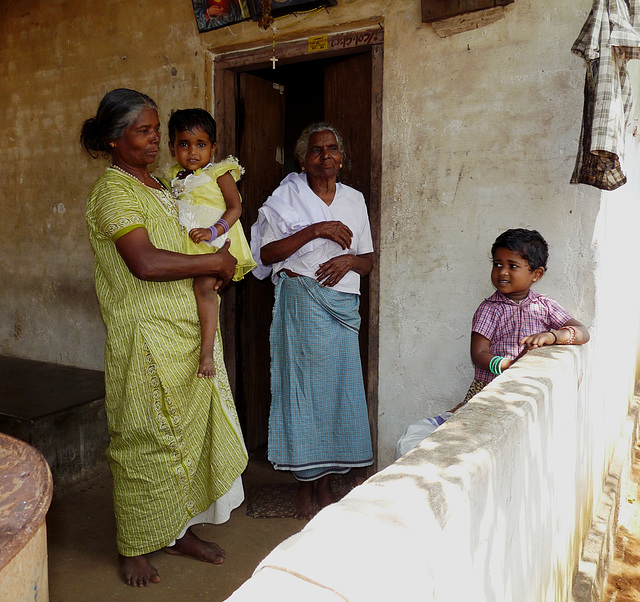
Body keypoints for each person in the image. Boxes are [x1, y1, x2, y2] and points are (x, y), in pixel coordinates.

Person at [80, 88, 248, 587]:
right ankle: (133, 544)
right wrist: (215, 262)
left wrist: (210, 268)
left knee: (188, 438)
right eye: (145, 131)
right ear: (115, 139)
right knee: (145, 438)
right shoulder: (112, 191)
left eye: (157, 130)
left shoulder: (158, 184)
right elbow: (145, 262)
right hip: (147, 337)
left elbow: (184, 240)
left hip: (183, 333)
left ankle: (179, 529)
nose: (156, 141)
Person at [251, 123, 374, 520]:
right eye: (316, 150)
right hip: (302, 302)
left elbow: (368, 259)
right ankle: (305, 485)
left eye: (332, 149)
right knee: (303, 393)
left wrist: (351, 260)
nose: (326, 156)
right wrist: (316, 229)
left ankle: (326, 484)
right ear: (302, 160)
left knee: (336, 394)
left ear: (342, 157)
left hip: (341, 308)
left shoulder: (355, 199)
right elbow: (267, 254)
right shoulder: (286, 196)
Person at [452, 228, 590, 411]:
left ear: (536, 274)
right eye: (498, 264)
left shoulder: (545, 306)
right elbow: (478, 355)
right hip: (492, 389)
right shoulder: (489, 309)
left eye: (512, 266)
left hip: (529, 389)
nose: (503, 272)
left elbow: (583, 333)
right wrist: (509, 366)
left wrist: (553, 336)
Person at [166, 108, 256, 378]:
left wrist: (213, 231)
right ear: (172, 148)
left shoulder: (220, 173)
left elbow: (235, 207)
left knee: (205, 287)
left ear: (213, 147)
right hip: (187, 243)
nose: (192, 152)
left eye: (201, 145)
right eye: (184, 144)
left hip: (214, 242)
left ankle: (206, 353)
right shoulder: (173, 177)